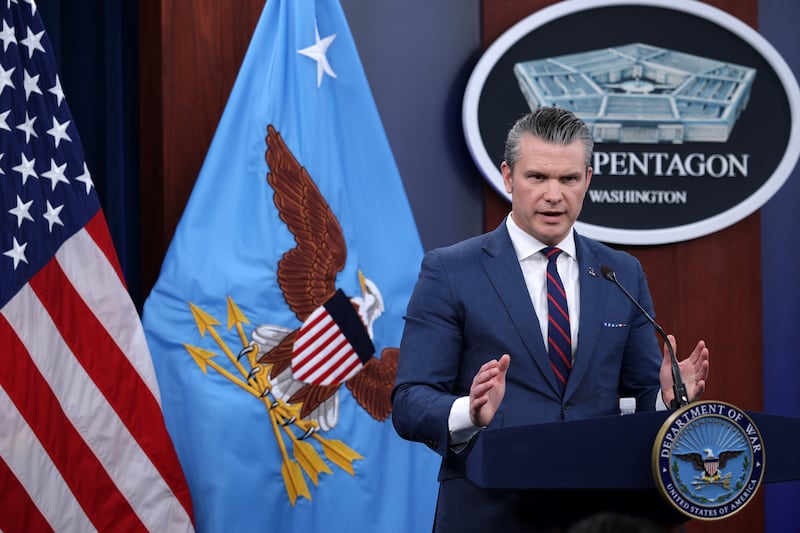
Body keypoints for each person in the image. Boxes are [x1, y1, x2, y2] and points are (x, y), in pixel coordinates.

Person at [391, 106, 710, 532]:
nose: (554, 194)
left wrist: (666, 399)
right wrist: (470, 410)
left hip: (598, 513)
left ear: (588, 181)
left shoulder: (621, 272)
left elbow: (640, 391)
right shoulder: (451, 270)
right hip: (490, 511)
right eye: (537, 177)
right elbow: (410, 401)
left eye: (568, 179)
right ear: (508, 177)